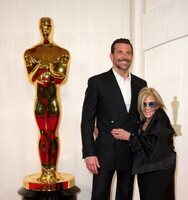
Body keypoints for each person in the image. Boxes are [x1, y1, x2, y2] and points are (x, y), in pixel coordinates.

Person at [81, 38, 147, 200]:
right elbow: (87, 120)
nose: (125, 56)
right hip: (104, 151)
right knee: (100, 195)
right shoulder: (97, 82)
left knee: (125, 195)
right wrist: (89, 153)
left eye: (128, 53)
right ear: (111, 56)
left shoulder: (141, 84)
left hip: (130, 150)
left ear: (132, 56)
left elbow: (144, 117)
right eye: (120, 52)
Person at [24, 17, 70, 183]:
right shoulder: (31, 52)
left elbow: (61, 77)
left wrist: (46, 69)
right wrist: (46, 68)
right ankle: (45, 171)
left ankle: (52, 171)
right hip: (40, 99)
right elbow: (31, 76)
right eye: (43, 26)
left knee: (53, 134)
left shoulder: (61, 52)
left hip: (52, 99)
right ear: (39, 28)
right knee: (43, 134)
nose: (46, 29)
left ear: (52, 28)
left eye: (48, 26)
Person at [111, 87, 176, 200]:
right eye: (144, 104)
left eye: (151, 104)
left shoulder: (160, 117)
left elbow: (154, 147)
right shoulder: (144, 121)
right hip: (147, 171)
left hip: (159, 172)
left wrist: (129, 137)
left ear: (157, 105)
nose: (147, 108)